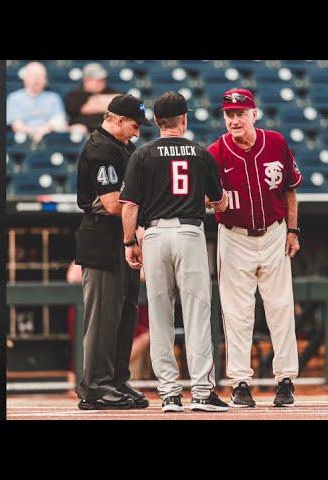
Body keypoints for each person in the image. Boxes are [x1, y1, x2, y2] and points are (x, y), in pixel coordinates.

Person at [119, 91, 230, 412]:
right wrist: (207, 200)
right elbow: (219, 200)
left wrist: (130, 242)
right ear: (184, 119)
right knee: (196, 313)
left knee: (159, 314)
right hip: (189, 232)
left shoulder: (142, 154)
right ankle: (200, 391)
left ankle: (169, 393)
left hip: (154, 234)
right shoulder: (199, 153)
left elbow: (129, 205)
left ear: (156, 122)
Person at [207, 88, 302, 408]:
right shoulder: (216, 152)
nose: (234, 120)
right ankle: (240, 382)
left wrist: (293, 230)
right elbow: (208, 200)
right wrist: (212, 200)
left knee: (281, 307)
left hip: (275, 232)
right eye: (229, 115)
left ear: (253, 114)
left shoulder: (275, 142)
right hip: (234, 235)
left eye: (240, 114)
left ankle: (286, 379)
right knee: (237, 313)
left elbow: (290, 189)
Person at [74, 94, 151, 410]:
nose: (137, 132)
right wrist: (154, 207)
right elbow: (110, 204)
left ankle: (116, 380)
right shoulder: (102, 148)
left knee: (123, 315)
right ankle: (95, 386)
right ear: (117, 119)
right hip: (102, 241)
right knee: (104, 317)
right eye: (134, 125)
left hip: (123, 240)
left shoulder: (122, 146)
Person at [6, 61, 67, 145]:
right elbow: (17, 125)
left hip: (50, 140)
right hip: (23, 142)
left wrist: (43, 130)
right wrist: (35, 132)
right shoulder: (14, 98)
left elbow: (60, 122)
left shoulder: (53, 98)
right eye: (33, 75)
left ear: (45, 80)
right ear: (25, 77)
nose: (37, 79)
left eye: (40, 76)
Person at [65, 63, 120, 135]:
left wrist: (95, 101)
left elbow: (121, 103)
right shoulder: (74, 94)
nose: (100, 82)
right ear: (86, 80)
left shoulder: (111, 90)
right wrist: (107, 102)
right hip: (84, 133)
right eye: (96, 80)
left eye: (102, 79)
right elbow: (85, 109)